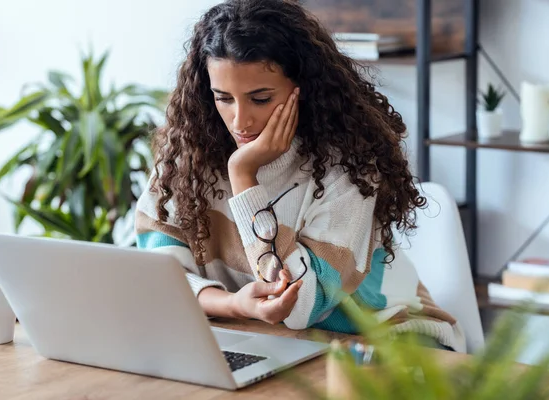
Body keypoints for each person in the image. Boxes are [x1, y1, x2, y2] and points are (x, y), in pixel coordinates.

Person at [135, 0, 465, 352]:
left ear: (302, 89)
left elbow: (300, 307)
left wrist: (244, 176)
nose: (239, 121)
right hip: (270, 340)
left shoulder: (349, 168)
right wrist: (234, 304)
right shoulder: (189, 156)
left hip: (391, 340)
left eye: (260, 98)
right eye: (223, 98)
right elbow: (158, 278)